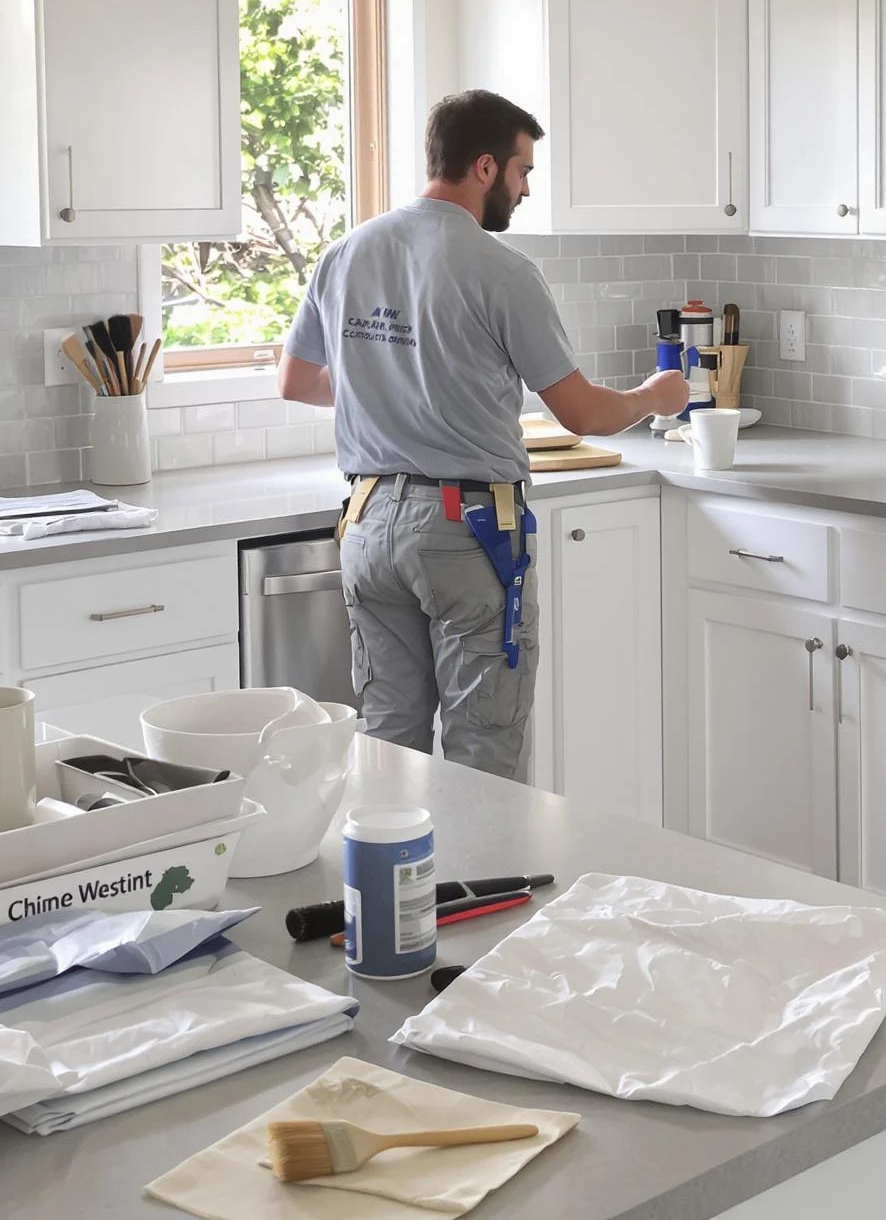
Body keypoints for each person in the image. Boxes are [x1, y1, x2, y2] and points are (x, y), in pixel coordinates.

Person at [275, 89, 688, 779]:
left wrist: (392, 388)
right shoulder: (502, 272)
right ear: (487, 167)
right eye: (524, 171)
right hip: (465, 532)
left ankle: (392, 885)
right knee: (481, 753)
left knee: (388, 747)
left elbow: (298, 381)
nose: (526, 190)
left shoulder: (346, 252)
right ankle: (478, 889)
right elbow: (580, 414)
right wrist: (654, 396)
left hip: (368, 525)